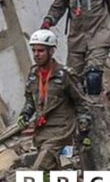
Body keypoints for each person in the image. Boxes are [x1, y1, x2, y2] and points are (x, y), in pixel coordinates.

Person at [17, 30, 92, 171]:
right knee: (52, 170)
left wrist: (84, 131)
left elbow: (81, 102)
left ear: (51, 51)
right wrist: (25, 115)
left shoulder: (65, 75)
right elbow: (30, 101)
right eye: (34, 51)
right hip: (41, 131)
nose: (36, 55)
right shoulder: (33, 74)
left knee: (39, 169)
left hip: (61, 129)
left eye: (41, 51)